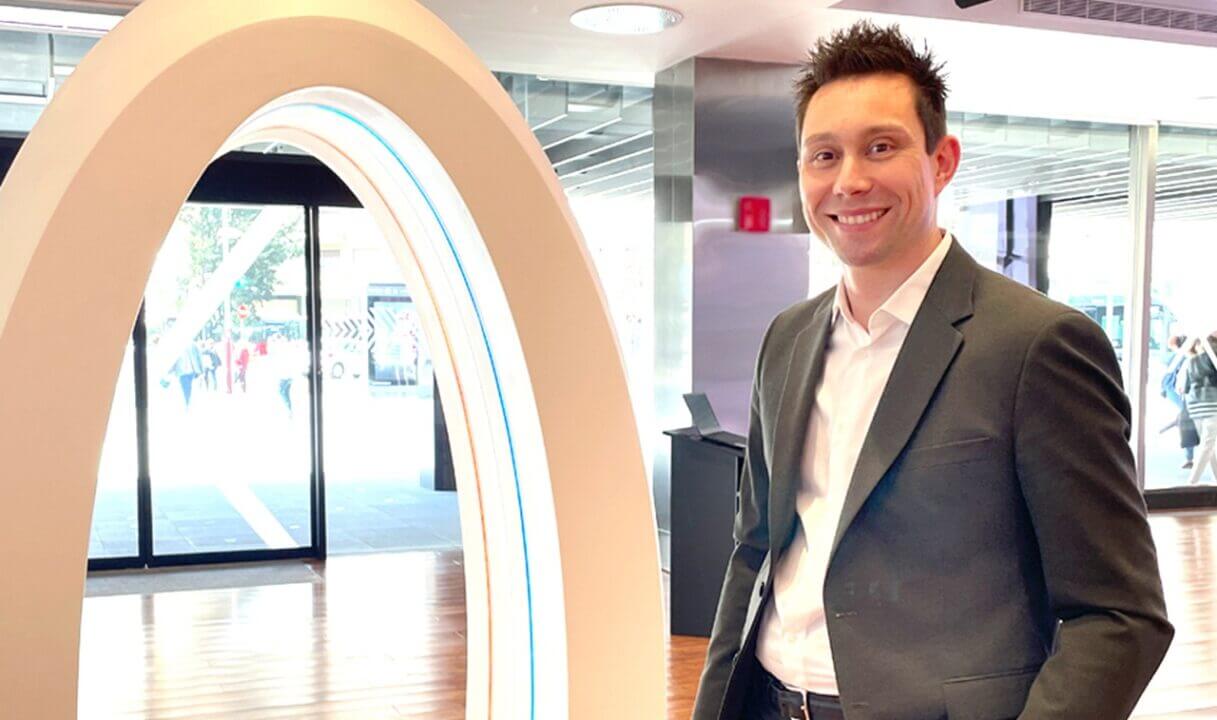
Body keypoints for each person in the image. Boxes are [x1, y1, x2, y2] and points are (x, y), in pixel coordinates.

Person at [692, 21, 1172, 720]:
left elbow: (1119, 614)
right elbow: (753, 549)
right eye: (823, 155)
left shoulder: (1036, 345)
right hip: (769, 701)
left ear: (941, 161)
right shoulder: (787, 338)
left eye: (880, 147)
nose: (849, 181)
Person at [1184, 334, 1217, 486]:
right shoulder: (1212, 358)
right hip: (1212, 403)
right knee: (1208, 444)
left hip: (1195, 405)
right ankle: (1192, 481)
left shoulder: (1191, 361)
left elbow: (1185, 386)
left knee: (1208, 444)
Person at [1161, 334, 1198, 469]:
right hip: (1182, 393)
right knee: (1188, 419)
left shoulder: (1181, 358)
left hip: (1180, 392)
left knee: (1187, 420)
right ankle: (1189, 457)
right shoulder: (1184, 358)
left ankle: (1190, 457)